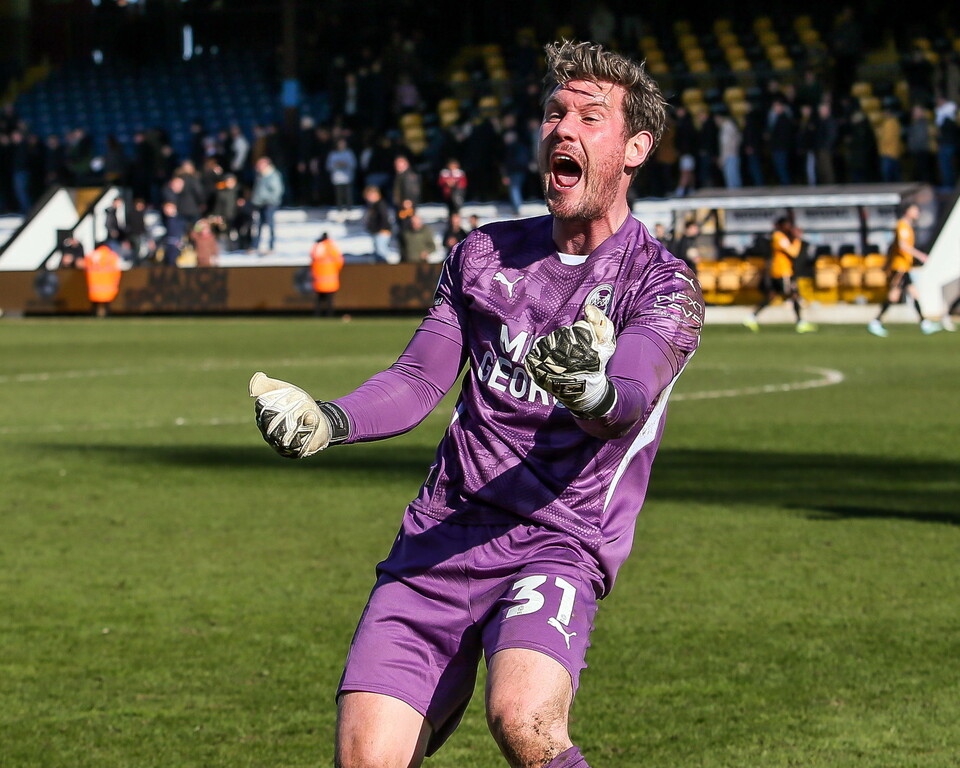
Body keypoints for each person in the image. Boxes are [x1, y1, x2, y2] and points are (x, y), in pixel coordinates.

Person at [248, 40, 703, 768]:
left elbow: (630, 397)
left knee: (524, 719)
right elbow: (417, 379)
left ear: (636, 147)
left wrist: (591, 388)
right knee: (366, 760)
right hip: (442, 532)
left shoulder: (661, 283)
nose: (563, 128)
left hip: (557, 538)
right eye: (554, 113)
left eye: (590, 117)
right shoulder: (482, 255)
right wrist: (328, 420)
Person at [868, 202, 941, 336]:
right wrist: (920, 255)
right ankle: (876, 321)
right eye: (915, 210)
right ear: (908, 211)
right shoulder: (902, 225)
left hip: (905, 267)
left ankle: (924, 323)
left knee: (913, 293)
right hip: (900, 267)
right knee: (894, 296)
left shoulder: (907, 226)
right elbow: (903, 246)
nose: (917, 212)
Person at [743, 216, 817, 333]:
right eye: (787, 225)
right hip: (782, 272)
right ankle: (800, 323)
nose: (789, 227)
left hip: (780, 271)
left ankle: (751, 317)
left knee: (772, 296)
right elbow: (793, 252)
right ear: (782, 226)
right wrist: (797, 239)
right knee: (794, 295)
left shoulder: (781, 237)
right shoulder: (779, 236)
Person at [251, 156, 285, 254]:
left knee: (270, 225)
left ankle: (271, 246)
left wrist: (269, 200)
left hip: (270, 204)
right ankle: (255, 246)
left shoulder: (273, 175)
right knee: (258, 225)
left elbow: (277, 191)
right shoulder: (260, 176)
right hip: (260, 204)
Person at [78, 240, 122, 317]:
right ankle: (107, 314)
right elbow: (117, 270)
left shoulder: (91, 256)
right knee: (107, 302)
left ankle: (94, 314)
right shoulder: (112, 256)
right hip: (108, 285)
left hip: (94, 285)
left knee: (94, 303)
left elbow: (83, 266)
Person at [310, 231, 345, 317]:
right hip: (330, 277)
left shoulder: (317, 246)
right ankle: (330, 315)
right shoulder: (332, 246)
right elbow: (339, 261)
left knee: (319, 299)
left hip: (318, 277)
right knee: (329, 299)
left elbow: (312, 258)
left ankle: (317, 315)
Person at [361, 184, 393, 262]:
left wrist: (382, 229)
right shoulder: (372, 206)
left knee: (381, 253)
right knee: (377, 254)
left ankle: (384, 268)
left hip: (381, 232)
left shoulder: (380, 204)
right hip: (376, 232)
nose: (369, 198)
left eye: (371, 195)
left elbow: (384, 218)